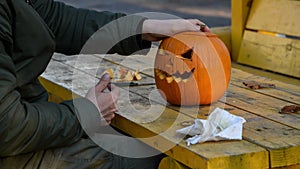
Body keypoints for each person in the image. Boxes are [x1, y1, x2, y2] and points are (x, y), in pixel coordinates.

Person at [0, 0, 210, 168]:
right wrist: (87, 113)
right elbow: (8, 128)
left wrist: (145, 28)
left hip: (23, 131)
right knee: (150, 155)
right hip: (14, 152)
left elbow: (57, 19)